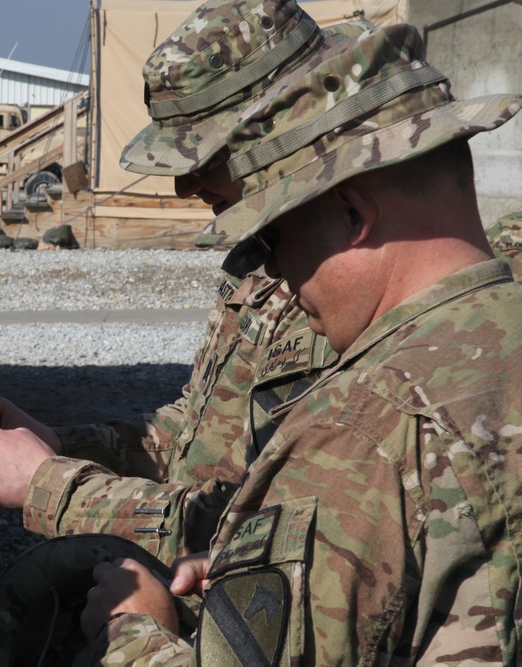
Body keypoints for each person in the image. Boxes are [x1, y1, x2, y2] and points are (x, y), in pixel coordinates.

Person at [82, 22, 522, 664]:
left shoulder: (363, 426)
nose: (276, 273)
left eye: (273, 240)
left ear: (353, 215)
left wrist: (133, 630)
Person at [0, 0, 362, 563]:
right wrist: (58, 442)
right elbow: (191, 436)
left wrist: (50, 484)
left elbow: (272, 531)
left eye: (205, 157)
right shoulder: (257, 262)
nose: (184, 189)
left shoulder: (356, 288)